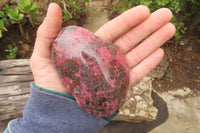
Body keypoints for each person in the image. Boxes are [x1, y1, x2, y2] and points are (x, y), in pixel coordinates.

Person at [4, 3, 175, 133]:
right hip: (105, 97)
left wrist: (42, 125)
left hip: (106, 96)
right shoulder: (66, 46)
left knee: (161, 110)